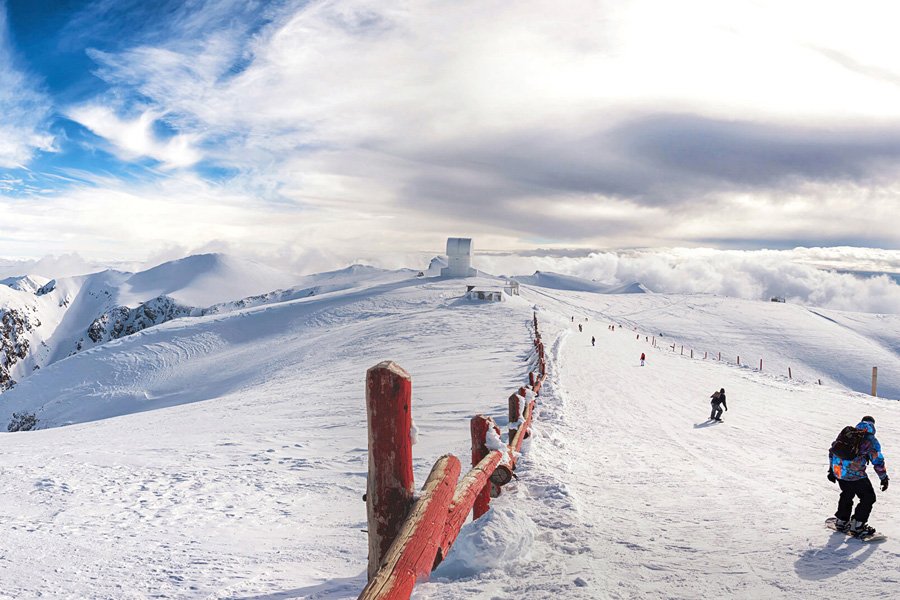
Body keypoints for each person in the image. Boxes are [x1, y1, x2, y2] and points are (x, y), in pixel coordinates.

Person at [828, 416, 889, 537]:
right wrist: (884, 478)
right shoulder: (870, 440)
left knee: (847, 493)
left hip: (839, 473)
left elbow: (833, 450)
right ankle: (858, 526)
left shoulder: (848, 433)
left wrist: (831, 470)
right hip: (855, 476)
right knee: (868, 498)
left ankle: (841, 521)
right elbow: (878, 461)